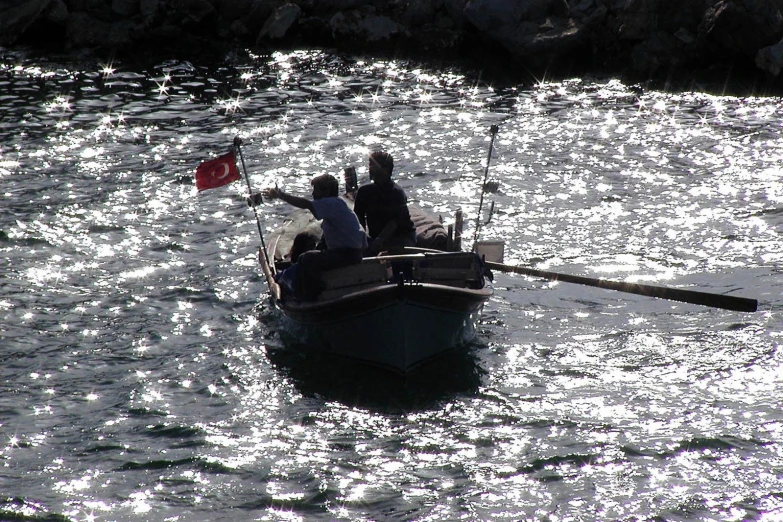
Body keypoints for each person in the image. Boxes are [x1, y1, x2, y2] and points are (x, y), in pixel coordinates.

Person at [256, 174, 368, 300]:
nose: (313, 194)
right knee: (312, 255)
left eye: (316, 190)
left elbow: (306, 204)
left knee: (306, 258)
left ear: (327, 191)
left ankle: (315, 292)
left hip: (347, 255)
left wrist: (281, 195)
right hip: (352, 253)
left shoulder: (331, 203)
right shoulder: (339, 206)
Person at [352, 151, 415, 255]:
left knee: (397, 259)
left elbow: (394, 223)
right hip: (374, 238)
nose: (370, 169)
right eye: (370, 165)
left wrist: (380, 240)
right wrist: (363, 239)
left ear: (386, 169)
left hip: (400, 237)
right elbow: (359, 218)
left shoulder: (396, 193)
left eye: (374, 165)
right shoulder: (364, 192)